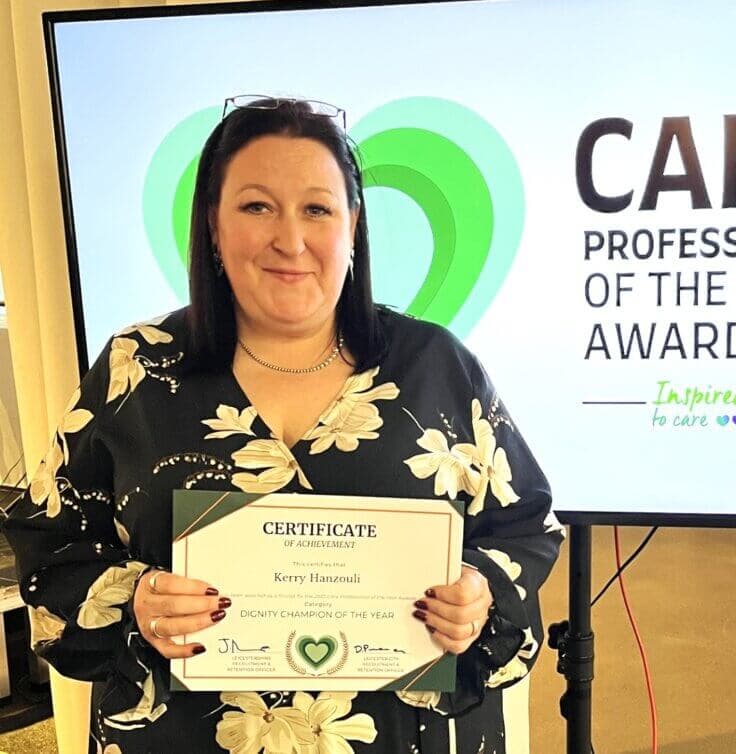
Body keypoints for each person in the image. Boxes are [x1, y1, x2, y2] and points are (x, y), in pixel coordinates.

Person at [5, 96, 564, 753]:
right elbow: (51, 545)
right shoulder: (139, 370)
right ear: (213, 223)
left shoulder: (437, 366)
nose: (289, 239)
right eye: (256, 206)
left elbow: (525, 525)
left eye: (317, 209)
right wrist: (135, 602)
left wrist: (479, 592)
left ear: (352, 226)